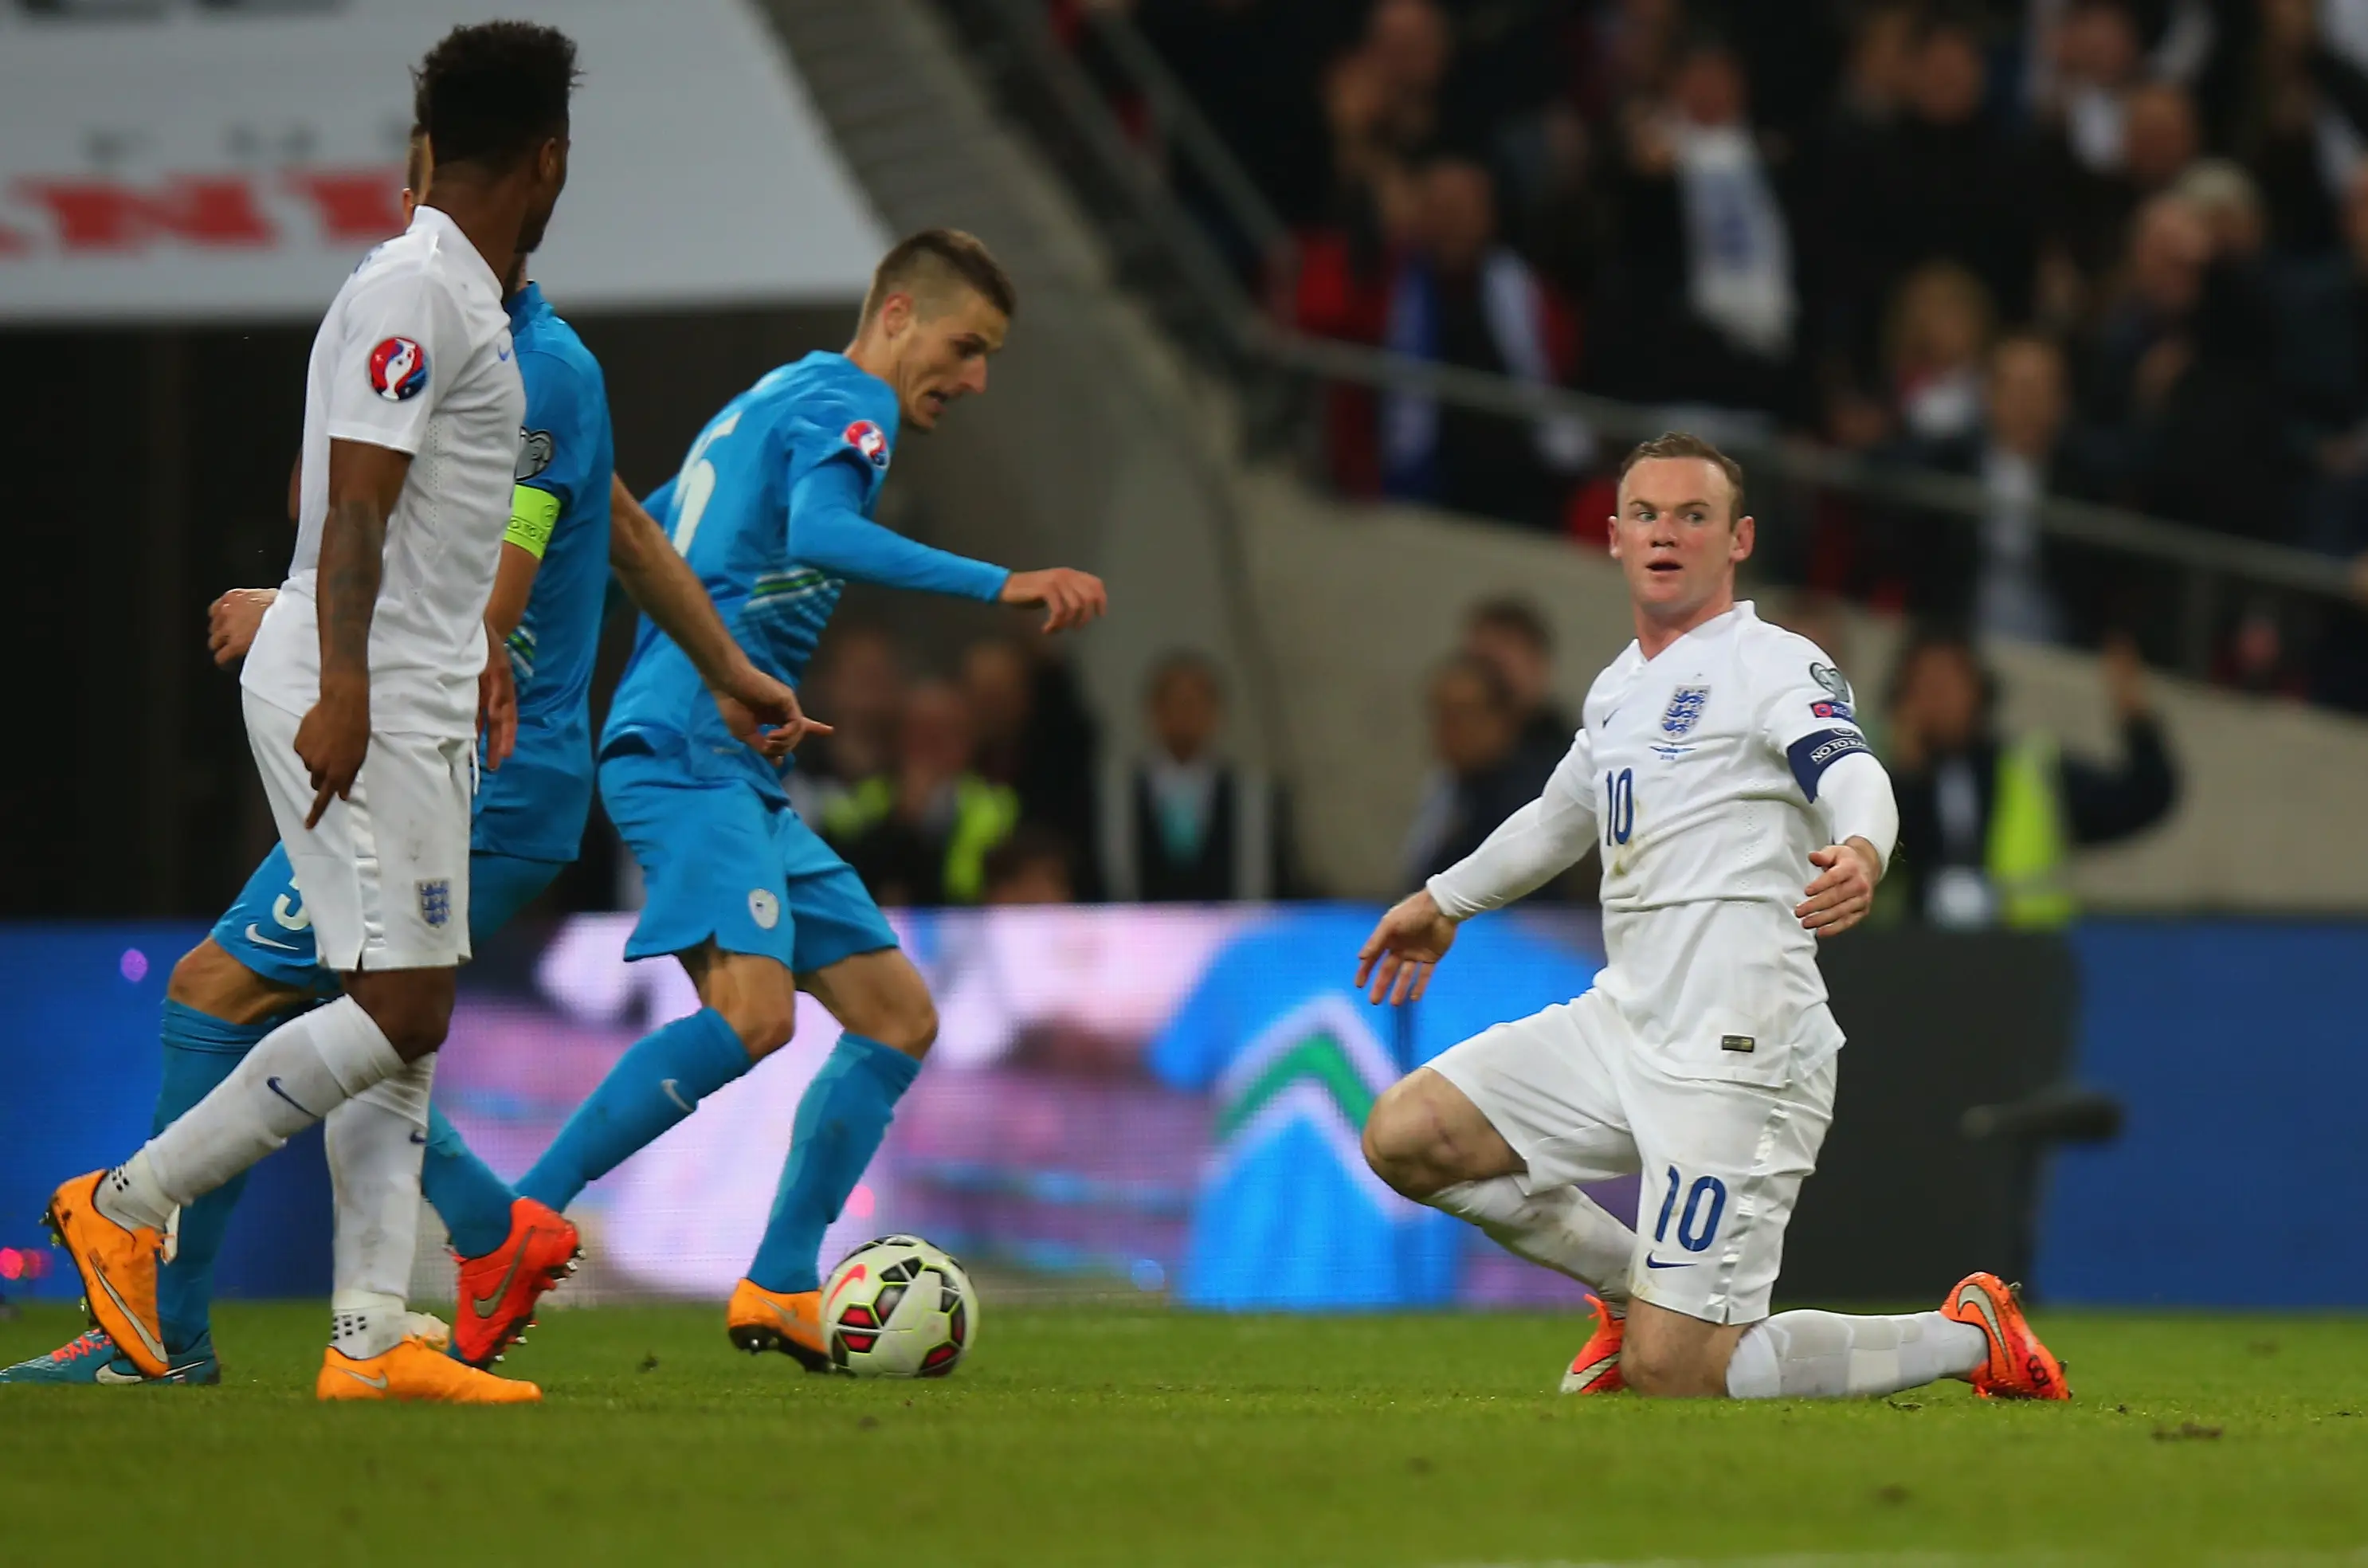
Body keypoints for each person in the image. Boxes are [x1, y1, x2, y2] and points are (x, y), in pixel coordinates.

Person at [39, 24, 593, 1404]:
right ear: (547, 158)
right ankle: (124, 1198)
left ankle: (367, 1334)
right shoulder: (422, 291)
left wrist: (480, 646)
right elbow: (348, 504)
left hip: (414, 673)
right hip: (365, 683)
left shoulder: (450, 286)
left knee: (397, 996)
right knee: (403, 1003)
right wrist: (345, 682)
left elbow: (426, 511)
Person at [442, 229, 1105, 1368]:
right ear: (897, 314)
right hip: (690, 751)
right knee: (756, 1016)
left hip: (730, 756)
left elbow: (634, 532)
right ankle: (520, 1220)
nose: (978, 378)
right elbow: (821, 533)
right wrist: (1006, 582)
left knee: (897, 1016)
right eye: (967, 345)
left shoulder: (771, 396)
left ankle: (784, 1281)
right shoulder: (855, 407)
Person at [1354, 432, 2069, 1403]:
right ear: (1611, 537)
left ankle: (1964, 1334)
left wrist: (1859, 845)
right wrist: (1443, 902)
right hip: (1622, 1023)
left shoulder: (1772, 663)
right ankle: (1631, 1290)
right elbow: (1556, 819)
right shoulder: (1617, 690)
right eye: (1645, 514)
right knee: (1405, 1134)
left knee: (1676, 1373)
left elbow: (1852, 772)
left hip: (1737, 1052)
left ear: (1736, 541)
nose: (1665, 534)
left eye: (1692, 516)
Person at [1883, 625, 2176, 928]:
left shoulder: (2033, 770)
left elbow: (2143, 797)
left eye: (1948, 681)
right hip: (1915, 961)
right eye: (1923, 685)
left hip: (2025, 957)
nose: (1937, 697)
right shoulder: (1878, 787)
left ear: (1978, 687)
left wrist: (2137, 722)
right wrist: (1906, 778)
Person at [1100, 651, 1295, 903]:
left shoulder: (1252, 795)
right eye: (1175, 704)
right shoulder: (1117, 795)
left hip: (1230, 935)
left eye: (1194, 704)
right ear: (1153, 711)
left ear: (1215, 712)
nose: (1185, 716)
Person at [824, 678, 1019, 907]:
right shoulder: (854, 805)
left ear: (969, 741)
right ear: (897, 739)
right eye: (920, 731)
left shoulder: (1001, 809)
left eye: (945, 731)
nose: (932, 744)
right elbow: (842, 889)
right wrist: (902, 820)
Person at [1400, 654, 1557, 890]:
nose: (1449, 728)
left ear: (1503, 721)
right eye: (1440, 714)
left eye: (1463, 713)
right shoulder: (1447, 791)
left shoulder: (1527, 804)